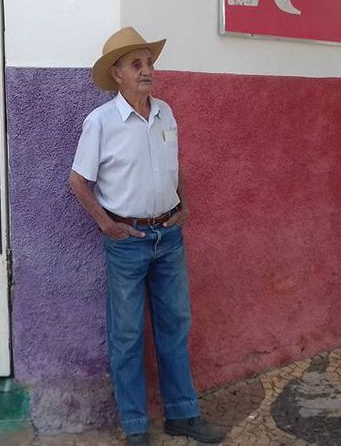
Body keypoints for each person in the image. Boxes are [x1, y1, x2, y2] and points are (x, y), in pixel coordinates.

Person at [68, 27, 226, 445]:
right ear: (117, 74)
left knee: (175, 327)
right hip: (128, 242)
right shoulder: (101, 122)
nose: (147, 70)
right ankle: (136, 427)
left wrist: (184, 204)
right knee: (127, 336)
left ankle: (183, 415)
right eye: (136, 64)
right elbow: (78, 181)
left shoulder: (165, 113)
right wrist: (106, 224)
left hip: (169, 237)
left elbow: (173, 165)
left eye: (149, 62)